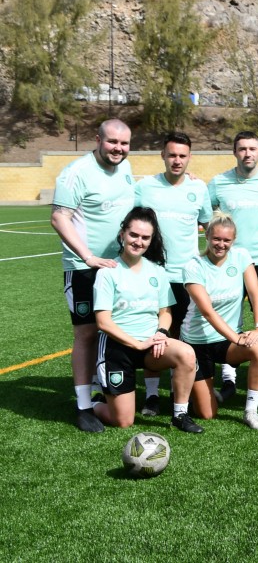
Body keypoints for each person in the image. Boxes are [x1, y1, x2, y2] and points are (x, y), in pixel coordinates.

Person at [50, 119, 136, 432]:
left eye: (124, 143)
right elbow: (59, 218)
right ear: (97, 139)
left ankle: (102, 389)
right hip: (84, 269)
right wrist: (88, 256)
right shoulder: (76, 173)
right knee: (86, 334)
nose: (119, 149)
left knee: (111, 331)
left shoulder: (126, 169)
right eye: (113, 142)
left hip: (116, 268)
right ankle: (84, 406)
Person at [92, 207, 202, 433]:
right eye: (134, 235)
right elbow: (103, 322)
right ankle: (91, 404)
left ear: (151, 241)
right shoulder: (108, 272)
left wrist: (162, 332)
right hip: (118, 348)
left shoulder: (157, 271)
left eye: (145, 237)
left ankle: (180, 415)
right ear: (122, 234)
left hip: (151, 345)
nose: (138, 241)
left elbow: (165, 311)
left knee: (186, 353)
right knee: (123, 421)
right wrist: (136, 343)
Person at [133, 132, 213, 416]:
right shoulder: (145, 187)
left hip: (187, 276)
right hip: (154, 275)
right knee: (156, 336)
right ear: (162, 156)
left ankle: (183, 394)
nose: (177, 160)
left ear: (189, 157)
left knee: (184, 335)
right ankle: (152, 396)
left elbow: (210, 227)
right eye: (172, 155)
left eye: (182, 155)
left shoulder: (199, 188)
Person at [207, 131, 258, 402]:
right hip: (228, 262)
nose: (247, 153)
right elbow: (207, 215)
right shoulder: (218, 183)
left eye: (252, 148)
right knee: (229, 317)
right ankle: (229, 378)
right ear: (234, 152)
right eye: (242, 149)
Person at [180, 214, 258, 429]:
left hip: (226, 341)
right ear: (207, 237)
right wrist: (237, 339)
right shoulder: (194, 266)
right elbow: (208, 312)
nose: (221, 244)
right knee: (206, 413)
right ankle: (192, 386)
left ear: (233, 240)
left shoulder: (241, 256)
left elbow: (256, 295)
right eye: (216, 239)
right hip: (197, 344)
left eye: (226, 240)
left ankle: (251, 411)